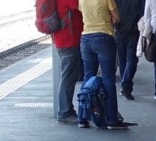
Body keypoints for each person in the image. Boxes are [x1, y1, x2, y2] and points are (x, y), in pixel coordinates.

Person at [80, 0, 131, 129]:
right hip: (104, 37)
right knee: (108, 79)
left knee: (87, 78)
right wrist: (111, 16)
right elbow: (117, 17)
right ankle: (112, 120)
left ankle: (83, 119)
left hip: (85, 39)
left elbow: (83, 12)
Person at [52, 0, 86, 124]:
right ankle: (64, 112)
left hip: (65, 40)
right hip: (69, 41)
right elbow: (83, 8)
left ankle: (67, 110)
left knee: (69, 76)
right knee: (68, 77)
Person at [114, 0, 143, 100]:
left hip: (119, 31)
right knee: (132, 60)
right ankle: (126, 85)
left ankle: (124, 84)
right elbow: (143, 12)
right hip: (133, 31)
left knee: (122, 60)